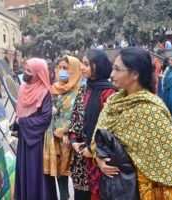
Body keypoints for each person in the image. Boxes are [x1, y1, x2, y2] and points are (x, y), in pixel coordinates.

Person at [94, 47, 172, 199]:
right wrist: (99, 158)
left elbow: (169, 161)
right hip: (114, 187)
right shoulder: (113, 102)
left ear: (134, 74)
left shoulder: (151, 110)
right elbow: (98, 137)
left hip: (143, 190)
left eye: (117, 69)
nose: (111, 74)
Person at [68, 49, 118, 200]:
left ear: (99, 67)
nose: (82, 68)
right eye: (82, 64)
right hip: (81, 155)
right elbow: (75, 117)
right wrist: (74, 140)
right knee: (81, 194)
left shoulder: (109, 92)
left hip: (99, 157)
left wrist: (93, 149)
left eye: (86, 64)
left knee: (97, 194)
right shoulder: (84, 89)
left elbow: (110, 128)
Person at [43, 56, 82, 200]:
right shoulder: (54, 89)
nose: (61, 71)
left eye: (65, 68)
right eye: (60, 67)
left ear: (75, 71)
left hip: (69, 140)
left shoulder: (80, 92)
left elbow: (79, 117)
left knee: (68, 172)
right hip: (52, 137)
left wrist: (67, 132)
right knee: (58, 172)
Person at [14, 58, 52, 200]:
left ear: (37, 73)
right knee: (24, 171)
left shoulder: (44, 91)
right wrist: (17, 124)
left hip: (35, 140)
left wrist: (22, 122)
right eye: (25, 69)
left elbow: (45, 118)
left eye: (30, 70)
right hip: (24, 137)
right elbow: (20, 111)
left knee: (34, 172)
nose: (26, 73)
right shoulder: (23, 87)